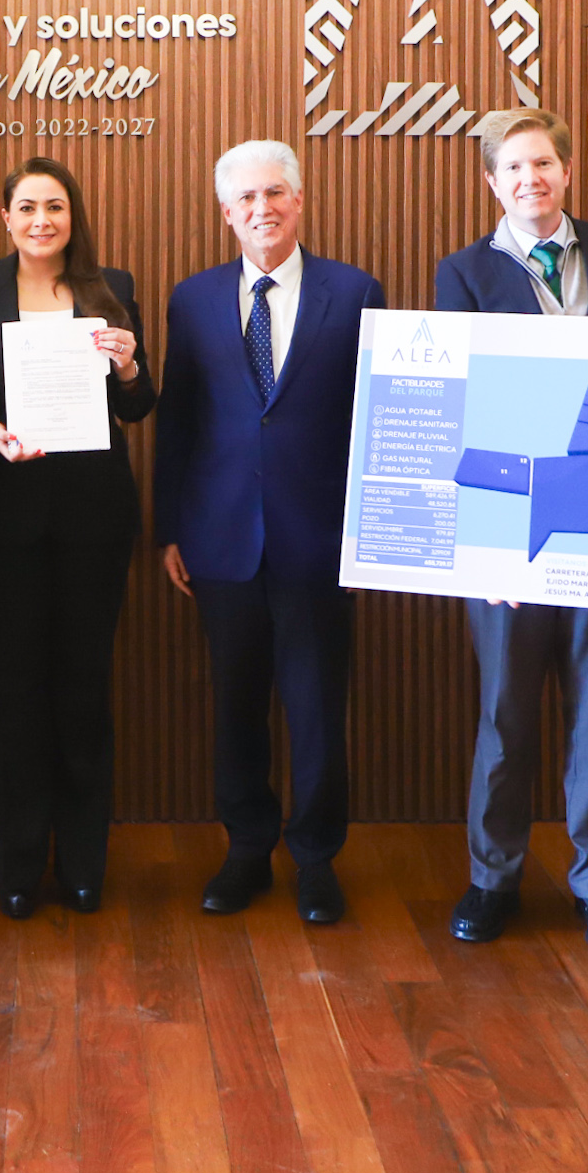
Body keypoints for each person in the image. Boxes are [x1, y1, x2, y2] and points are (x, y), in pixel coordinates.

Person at [433, 109, 588, 959]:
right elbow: (460, 404)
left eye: (543, 163)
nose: (530, 178)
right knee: (505, 714)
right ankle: (492, 877)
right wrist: (483, 544)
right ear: (491, 182)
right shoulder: (461, 272)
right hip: (509, 527)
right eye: (513, 167)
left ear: (567, 170)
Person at [153, 140, 386, 925]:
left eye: (275, 192)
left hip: (319, 540)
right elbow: (178, 418)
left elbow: (377, 418)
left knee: (317, 709)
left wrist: (371, 529)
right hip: (219, 540)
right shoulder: (192, 298)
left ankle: (316, 857)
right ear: (227, 212)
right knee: (236, 704)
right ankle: (247, 848)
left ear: (300, 199)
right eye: (246, 197)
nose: (262, 208)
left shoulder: (355, 292)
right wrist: (168, 529)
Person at [0, 157, 155, 917]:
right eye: (27, 207)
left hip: (95, 518)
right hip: (4, 517)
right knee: (15, 688)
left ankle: (84, 860)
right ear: (6, 216)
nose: (41, 221)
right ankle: (20, 863)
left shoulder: (111, 287)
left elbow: (138, 406)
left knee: (85, 687)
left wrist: (129, 368)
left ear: (72, 214)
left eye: (54, 206)